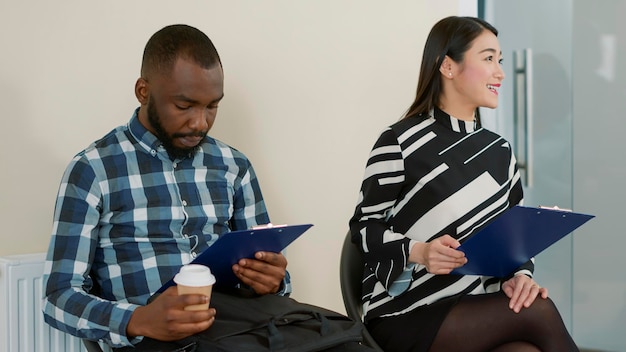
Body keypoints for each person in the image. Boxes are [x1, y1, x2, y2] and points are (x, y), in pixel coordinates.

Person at [42, 24, 291, 349]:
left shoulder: (234, 166)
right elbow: (58, 298)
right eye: (185, 106)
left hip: (239, 333)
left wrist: (272, 282)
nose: (200, 122)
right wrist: (138, 320)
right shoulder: (93, 170)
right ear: (143, 91)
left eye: (212, 106)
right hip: (153, 342)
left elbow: (274, 274)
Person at [349, 16, 579, 352]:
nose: (499, 72)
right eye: (488, 59)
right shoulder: (399, 142)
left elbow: (515, 240)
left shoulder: (500, 150)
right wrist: (420, 251)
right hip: (408, 311)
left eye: (499, 60)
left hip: (477, 305)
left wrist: (521, 278)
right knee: (538, 311)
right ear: (447, 66)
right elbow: (363, 230)